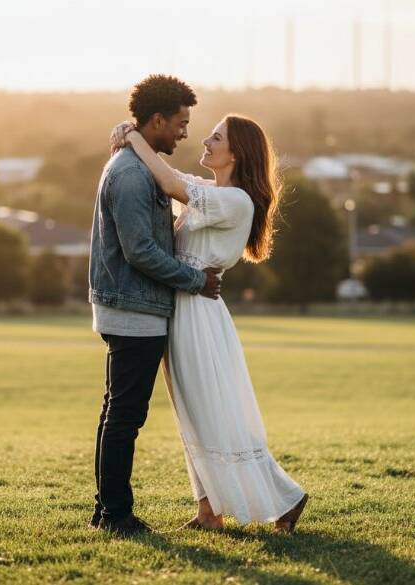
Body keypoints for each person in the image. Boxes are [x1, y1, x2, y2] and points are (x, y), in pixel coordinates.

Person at [110, 112, 308, 533]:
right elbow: (173, 176)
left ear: (236, 152)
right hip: (184, 306)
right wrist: (131, 139)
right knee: (191, 413)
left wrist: (132, 136)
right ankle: (208, 512)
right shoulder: (215, 192)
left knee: (208, 411)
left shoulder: (236, 201)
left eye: (215, 137)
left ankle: (285, 497)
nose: (205, 141)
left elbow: (169, 183)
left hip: (198, 312)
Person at [88, 74, 222, 536]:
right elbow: (139, 251)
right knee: (125, 414)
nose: (185, 133)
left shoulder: (138, 166)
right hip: (133, 310)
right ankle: (116, 516)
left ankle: (106, 510)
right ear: (157, 120)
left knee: (118, 411)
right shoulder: (129, 175)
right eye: (181, 123)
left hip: (136, 307)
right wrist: (195, 281)